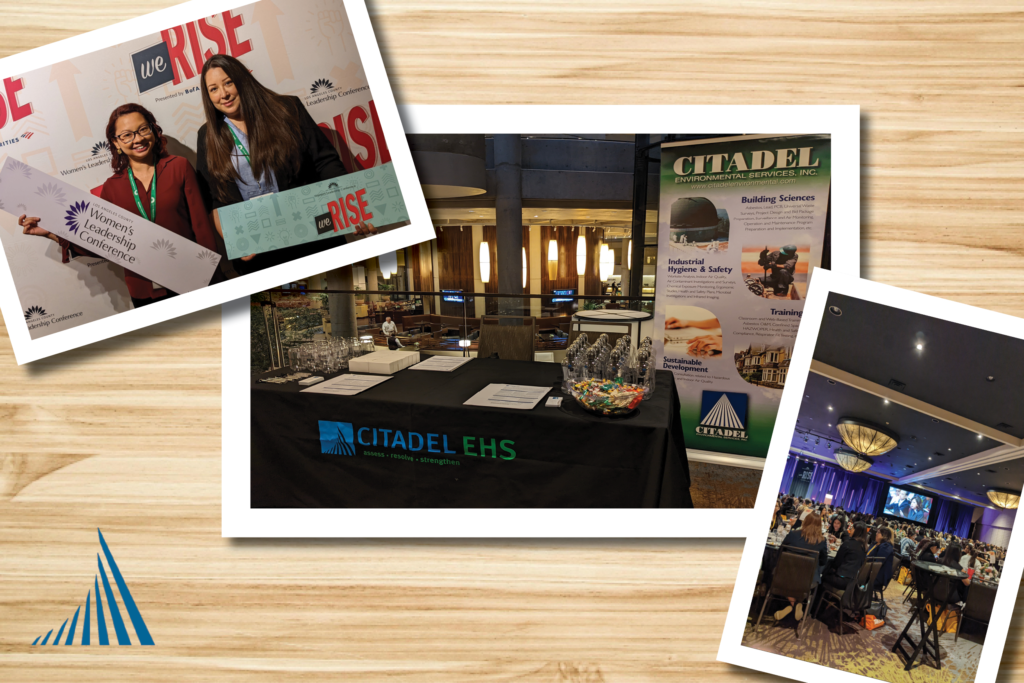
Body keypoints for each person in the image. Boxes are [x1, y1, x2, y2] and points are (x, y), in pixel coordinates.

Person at [20, 103, 219, 307]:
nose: (138, 139)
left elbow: (201, 226)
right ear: (116, 143)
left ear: (153, 130)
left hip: (190, 278)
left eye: (143, 129)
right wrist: (52, 233)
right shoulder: (111, 188)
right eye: (127, 135)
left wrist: (210, 275)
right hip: (144, 289)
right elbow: (100, 241)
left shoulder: (178, 166)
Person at [195, 53, 376, 276]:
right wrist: (236, 239)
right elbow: (217, 199)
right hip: (259, 249)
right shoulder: (207, 136)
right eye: (213, 89)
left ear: (242, 80)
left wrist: (353, 208)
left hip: (312, 234)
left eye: (228, 82)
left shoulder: (286, 109)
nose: (223, 94)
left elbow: (325, 162)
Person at [773, 511, 828, 622]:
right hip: (808, 581)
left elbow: (779, 553)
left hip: (786, 577)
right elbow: (823, 562)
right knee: (803, 584)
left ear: (805, 522)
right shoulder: (822, 541)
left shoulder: (793, 535)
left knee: (774, 573)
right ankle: (797, 603)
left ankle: (790, 603)